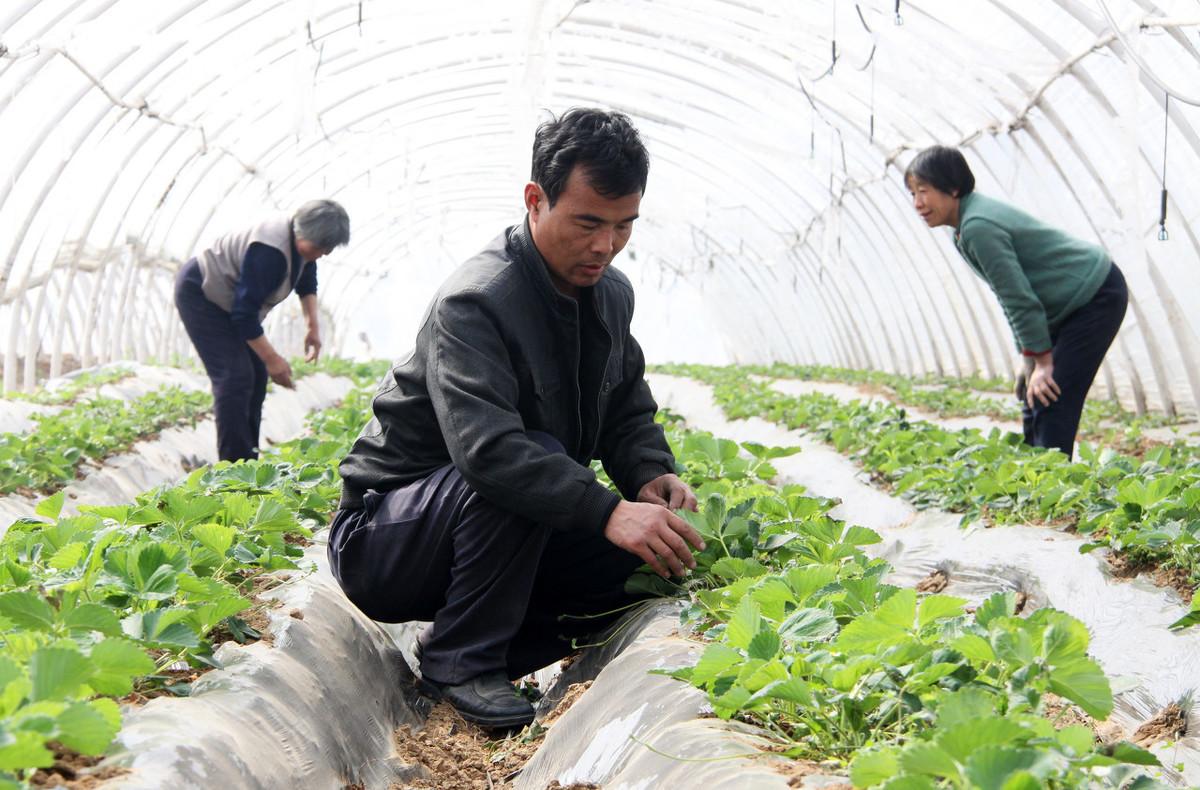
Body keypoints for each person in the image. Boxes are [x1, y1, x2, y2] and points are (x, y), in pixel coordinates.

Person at [329, 108, 704, 729]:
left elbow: (626, 406)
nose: (604, 246)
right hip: (387, 538)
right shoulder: (477, 299)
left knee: (647, 554)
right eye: (587, 222)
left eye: (622, 226)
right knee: (522, 468)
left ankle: (497, 651)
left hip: (487, 530)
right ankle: (459, 660)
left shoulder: (611, 294)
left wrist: (647, 477)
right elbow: (490, 455)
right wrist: (606, 510)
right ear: (536, 200)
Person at [905, 145, 1128, 458]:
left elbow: (1018, 298)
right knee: (1032, 395)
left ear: (952, 187)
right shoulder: (966, 228)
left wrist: (1044, 362)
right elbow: (1010, 296)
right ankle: (1034, 480)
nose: (917, 203)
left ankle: (1054, 491)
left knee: (1052, 397)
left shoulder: (978, 226)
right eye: (912, 193)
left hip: (1094, 294)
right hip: (1069, 303)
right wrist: (1030, 361)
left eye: (923, 191)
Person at [174, 199, 350, 462]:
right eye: (320, 247)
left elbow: (307, 277)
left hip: (229, 302)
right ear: (303, 233)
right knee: (235, 377)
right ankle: (233, 469)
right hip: (202, 294)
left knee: (255, 375)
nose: (323, 253)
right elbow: (244, 316)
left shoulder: (301, 246)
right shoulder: (271, 251)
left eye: (329, 248)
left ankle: (248, 461)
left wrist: (312, 326)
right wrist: (273, 360)